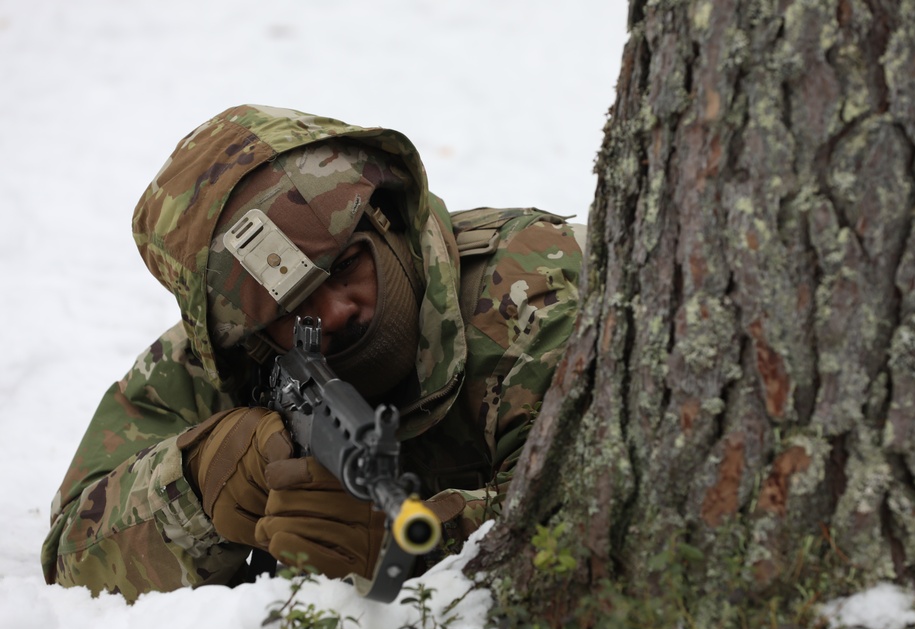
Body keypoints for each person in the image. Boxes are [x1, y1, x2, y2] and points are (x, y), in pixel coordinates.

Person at [41, 104, 583, 601]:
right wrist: (202, 484)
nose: (336, 313)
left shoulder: (528, 291)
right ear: (249, 337)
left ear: (384, 220)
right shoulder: (215, 365)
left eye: (345, 265)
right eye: (288, 312)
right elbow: (69, 558)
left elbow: (603, 519)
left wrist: (423, 545)